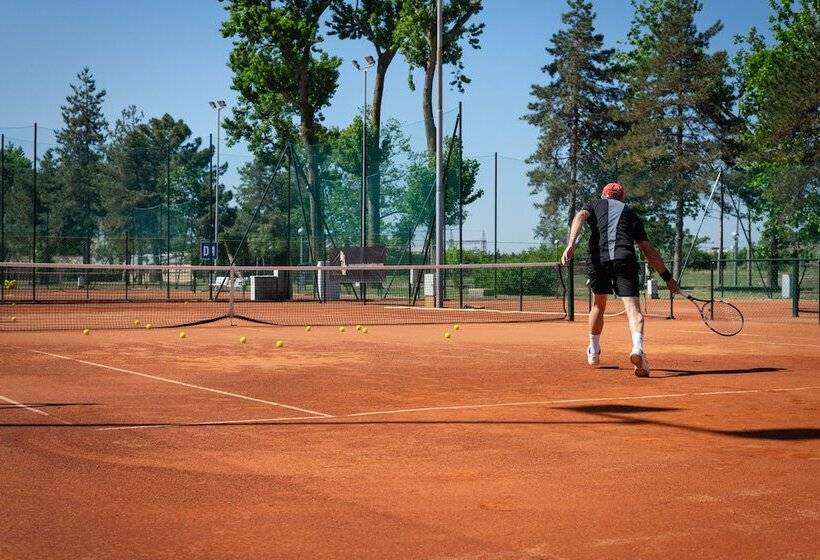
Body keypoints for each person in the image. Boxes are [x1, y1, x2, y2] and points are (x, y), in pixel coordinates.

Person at [560, 182, 679, 377]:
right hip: (625, 260)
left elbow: (580, 216)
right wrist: (667, 278)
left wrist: (571, 243)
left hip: (599, 261)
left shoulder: (594, 204)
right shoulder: (630, 213)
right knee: (634, 311)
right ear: (622, 197)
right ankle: (637, 348)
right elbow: (648, 250)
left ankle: (594, 351)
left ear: (603, 195)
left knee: (599, 304)